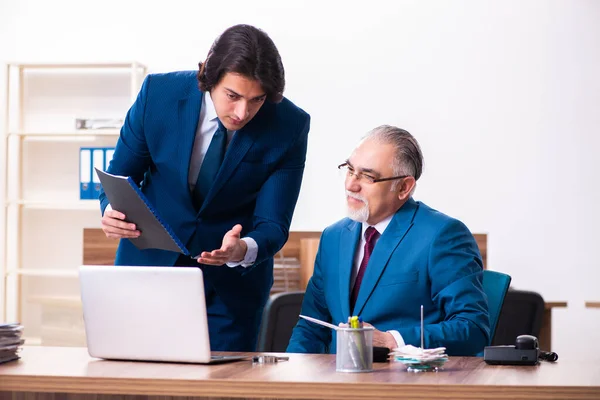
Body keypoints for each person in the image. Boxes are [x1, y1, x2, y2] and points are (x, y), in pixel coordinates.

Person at [99, 24, 310, 351]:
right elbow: (120, 176)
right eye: (233, 96)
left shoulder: (289, 125)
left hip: (229, 291)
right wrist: (111, 212)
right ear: (209, 78)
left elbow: (274, 223)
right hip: (148, 269)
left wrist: (243, 249)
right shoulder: (159, 94)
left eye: (257, 100)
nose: (243, 112)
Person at [286, 125, 489, 356]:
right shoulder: (333, 237)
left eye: (368, 177)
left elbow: (473, 329)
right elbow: (311, 327)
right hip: (338, 384)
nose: (351, 184)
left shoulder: (443, 235)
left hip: (405, 383)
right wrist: (290, 379)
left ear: (404, 187)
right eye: (350, 170)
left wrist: (392, 340)